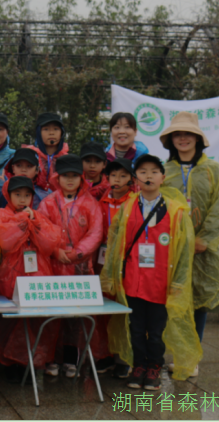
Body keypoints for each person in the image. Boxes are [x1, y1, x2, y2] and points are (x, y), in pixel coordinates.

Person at [100, 153, 201, 390]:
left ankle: (154, 366)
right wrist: (111, 276)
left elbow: (185, 251)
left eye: (154, 172)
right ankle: (138, 366)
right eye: (143, 172)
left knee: (156, 331)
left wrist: (178, 283)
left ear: (163, 178)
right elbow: (114, 245)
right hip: (133, 281)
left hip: (160, 282)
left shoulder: (176, 211)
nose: (149, 176)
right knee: (135, 328)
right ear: (135, 178)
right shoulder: (127, 208)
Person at [160, 111, 219, 378]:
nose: (183, 138)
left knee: (199, 302)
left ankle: (190, 358)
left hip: (203, 251)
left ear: (198, 138)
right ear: (171, 140)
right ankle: (174, 353)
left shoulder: (213, 170)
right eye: (177, 134)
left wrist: (204, 239)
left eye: (188, 134)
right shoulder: (164, 171)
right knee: (174, 300)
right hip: (172, 249)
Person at [0, 176, 61, 383]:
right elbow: (6, 242)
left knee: (34, 321)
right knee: (10, 320)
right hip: (11, 277)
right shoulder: (0, 214)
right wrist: (22, 220)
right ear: (8, 195)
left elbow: (49, 243)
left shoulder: (37, 215)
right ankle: (9, 363)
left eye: (27, 195)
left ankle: (29, 361)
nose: (22, 199)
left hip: (37, 274)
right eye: (17, 194)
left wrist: (34, 220)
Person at [37, 154, 103, 378]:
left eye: (75, 175)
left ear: (81, 178)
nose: (70, 180)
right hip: (53, 266)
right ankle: (50, 358)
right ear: (57, 178)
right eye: (65, 176)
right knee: (52, 315)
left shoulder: (90, 204)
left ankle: (70, 359)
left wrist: (77, 253)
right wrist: (55, 251)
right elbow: (41, 229)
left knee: (76, 316)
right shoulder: (48, 202)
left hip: (79, 268)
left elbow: (95, 233)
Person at [94, 157, 138, 377]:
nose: (117, 180)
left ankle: (123, 356)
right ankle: (104, 354)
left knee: (123, 308)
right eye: (113, 175)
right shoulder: (100, 202)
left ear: (131, 179)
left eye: (123, 175)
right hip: (102, 262)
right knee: (103, 308)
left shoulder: (135, 203)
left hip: (126, 263)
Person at [0, 146, 49, 211]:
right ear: (13, 168)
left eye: (29, 166)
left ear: (37, 170)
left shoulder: (44, 192)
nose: (23, 170)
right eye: (19, 165)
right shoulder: (3, 184)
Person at [33, 112, 70, 192]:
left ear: (62, 132)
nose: (51, 133)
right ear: (39, 132)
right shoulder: (32, 156)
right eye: (46, 129)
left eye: (56, 129)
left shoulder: (68, 160)